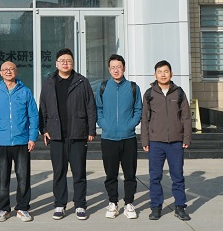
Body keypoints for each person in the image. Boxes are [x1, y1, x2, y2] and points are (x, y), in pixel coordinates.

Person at [39, 48, 97, 221]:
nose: (65, 63)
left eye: (68, 61)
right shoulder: (49, 82)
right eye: (62, 61)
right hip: (56, 135)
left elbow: (90, 107)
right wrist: (44, 129)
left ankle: (80, 205)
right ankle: (60, 204)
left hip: (78, 133)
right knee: (59, 172)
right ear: (56, 63)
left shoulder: (82, 82)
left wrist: (91, 130)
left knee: (79, 172)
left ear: (73, 63)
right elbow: (43, 107)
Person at [0, 61, 39, 223]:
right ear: (0, 73)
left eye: (11, 69)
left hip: (22, 141)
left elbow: (33, 116)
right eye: (5, 69)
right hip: (1, 142)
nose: (8, 71)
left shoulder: (25, 92)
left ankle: (22, 208)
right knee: (2, 178)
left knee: (23, 176)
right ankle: (3, 208)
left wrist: (32, 137)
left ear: (16, 71)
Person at [141, 60, 192, 221]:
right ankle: (156, 207)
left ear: (171, 74)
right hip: (155, 142)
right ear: (155, 74)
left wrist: (187, 137)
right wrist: (145, 141)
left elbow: (186, 117)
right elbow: (145, 119)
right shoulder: (149, 94)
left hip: (176, 142)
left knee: (178, 176)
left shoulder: (179, 93)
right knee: (155, 177)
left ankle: (180, 207)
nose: (163, 74)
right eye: (160, 72)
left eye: (166, 71)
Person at [95, 54, 142, 219]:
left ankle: (129, 203)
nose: (116, 70)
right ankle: (113, 203)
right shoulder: (102, 87)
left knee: (130, 174)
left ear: (124, 68)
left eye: (119, 67)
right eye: (113, 67)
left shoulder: (133, 87)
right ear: (109, 69)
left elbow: (138, 109)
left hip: (128, 138)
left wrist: (131, 125)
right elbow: (98, 109)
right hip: (108, 138)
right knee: (111, 174)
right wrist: (104, 125)